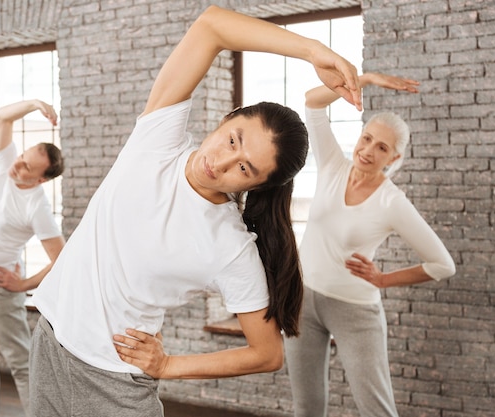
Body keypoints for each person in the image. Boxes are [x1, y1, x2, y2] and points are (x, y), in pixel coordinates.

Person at [29, 5, 361, 417]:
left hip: (114, 385)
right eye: (233, 140)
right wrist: (311, 50)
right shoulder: (158, 140)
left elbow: (267, 353)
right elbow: (212, 25)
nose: (221, 163)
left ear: (255, 185)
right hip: (49, 344)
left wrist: (169, 366)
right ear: (226, 119)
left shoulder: (230, 246)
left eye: (244, 168)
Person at [283, 73, 456, 417]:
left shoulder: (392, 202)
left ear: (393, 158)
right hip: (302, 299)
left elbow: (442, 264)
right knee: (306, 408)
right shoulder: (333, 165)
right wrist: (365, 80)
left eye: (382, 148)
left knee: (376, 410)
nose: (368, 150)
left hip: (354, 311)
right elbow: (312, 102)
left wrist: (383, 279)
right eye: (367, 139)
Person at [0, 99, 66, 417]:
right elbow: (3, 116)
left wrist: (22, 285)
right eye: (22, 157)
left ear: (42, 179)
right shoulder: (4, 163)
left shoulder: (37, 207)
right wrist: (34, 104)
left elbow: (61, 258)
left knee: (22, 364)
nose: (17, 166)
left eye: (27, 167)